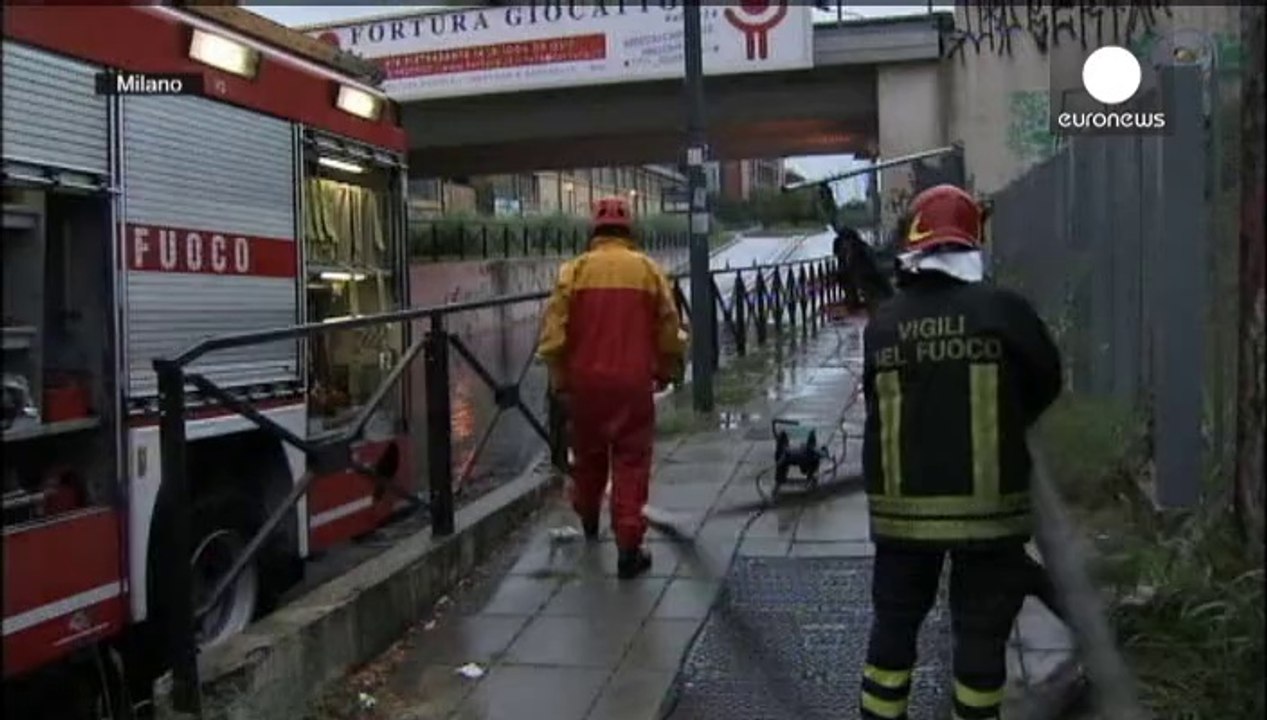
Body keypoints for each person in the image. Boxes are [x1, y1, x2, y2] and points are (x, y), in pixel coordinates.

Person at [857, 184, 1063, 720]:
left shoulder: (884, 324)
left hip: (902, 517)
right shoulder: (1006, 311)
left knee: (895, 629)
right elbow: (1045, 381)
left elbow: (873, 398)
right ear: (973, 244)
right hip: (991, 514)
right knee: (980, 635)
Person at [537, 196, 687, 580]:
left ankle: (588, 518)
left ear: (595, 230)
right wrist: (668, 370)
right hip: (633, 385)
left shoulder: (574, 271)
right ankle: (628, 548)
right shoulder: (648, 271)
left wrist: (560, 380)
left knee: (587, 458)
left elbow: (553, 337)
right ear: (629, 230)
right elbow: (670, 333)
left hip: (585, 385)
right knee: (630, 463)